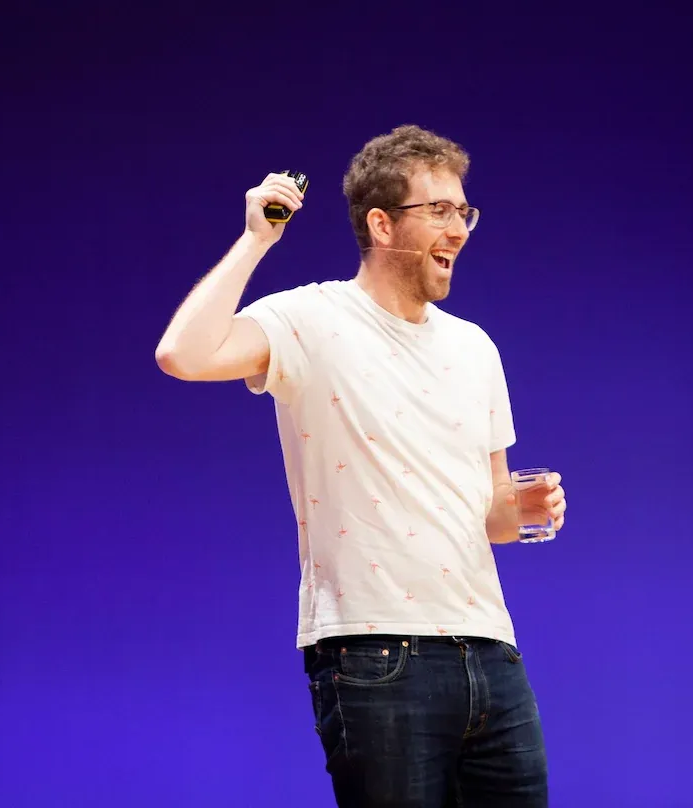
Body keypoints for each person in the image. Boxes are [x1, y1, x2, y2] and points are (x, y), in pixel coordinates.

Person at [154, 124, 567, 808]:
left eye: (463, 211)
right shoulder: (310, 319)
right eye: (438, 210)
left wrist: (521, 510)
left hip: (491, 650)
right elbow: (183, 354)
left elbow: (495, 513)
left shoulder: (475, 347)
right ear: (381, 223)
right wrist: (258, 239)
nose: (458, 229)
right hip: (377, 653)